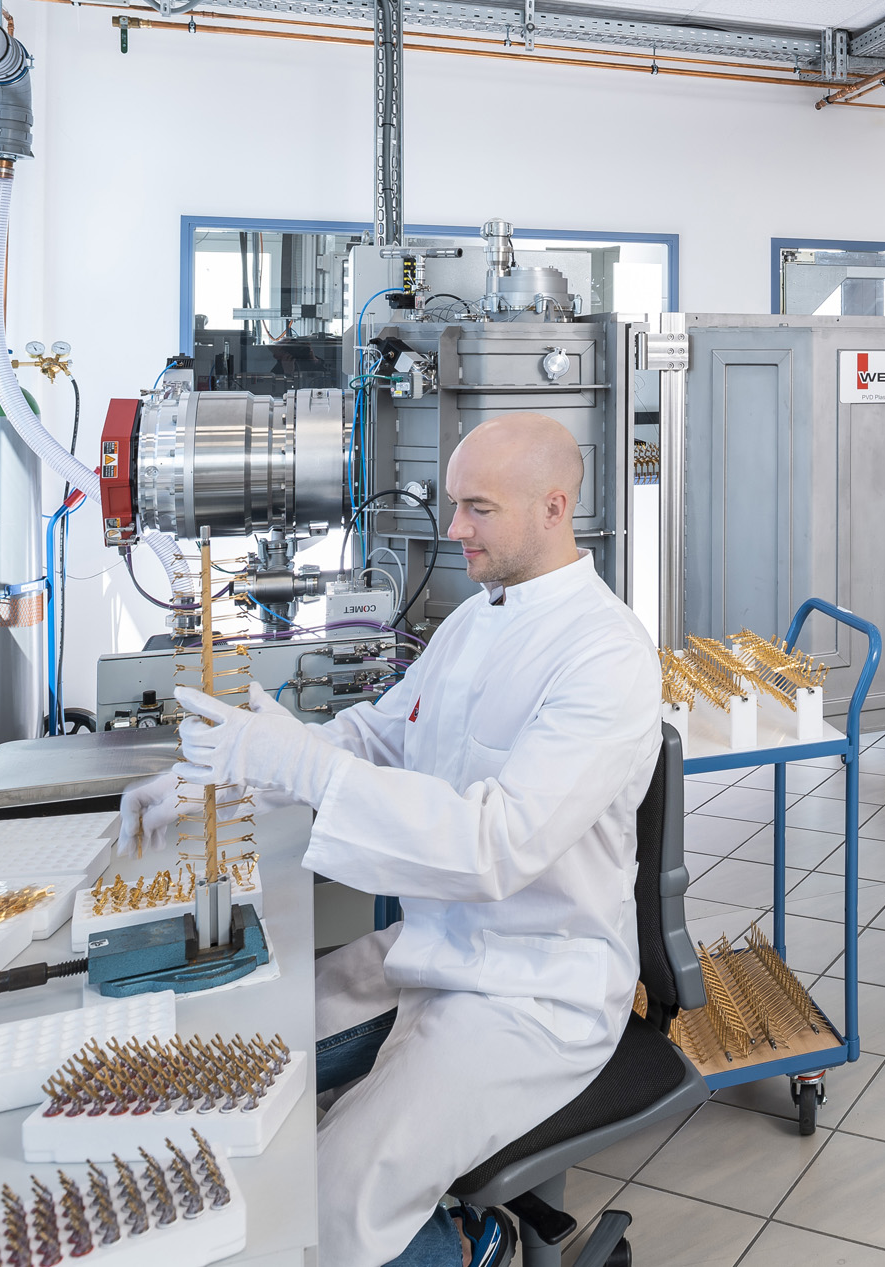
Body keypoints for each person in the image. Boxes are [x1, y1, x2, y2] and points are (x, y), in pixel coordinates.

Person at [122, 412, 662, 1267]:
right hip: (431, 948)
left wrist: (300, 765)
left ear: (553, 508)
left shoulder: (606, 657)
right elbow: (378, 735)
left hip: (532, 990)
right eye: (454, 502)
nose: (453, 528)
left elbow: (496, 844)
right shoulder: (474, 622)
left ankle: (474, 1242)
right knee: (235, 1064)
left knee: (330, 1205)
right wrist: (228, 774)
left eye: (478, 508)